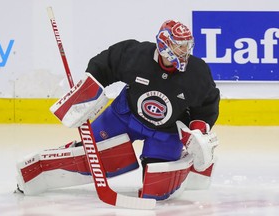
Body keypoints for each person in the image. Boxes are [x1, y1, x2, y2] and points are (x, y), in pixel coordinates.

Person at [16, 20, 220, 200]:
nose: (184, 51)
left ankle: (190, 163)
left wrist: (198, 132)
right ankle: (48, 167)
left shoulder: (197, 72)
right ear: (164, 45)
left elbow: (206, 105)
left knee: (158, 189)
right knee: (88, 152)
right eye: (179, 46)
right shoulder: (137, 55)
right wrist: (86, 93)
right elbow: (104, 65)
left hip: (165, 133)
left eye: (186, 46)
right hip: (124, 116)